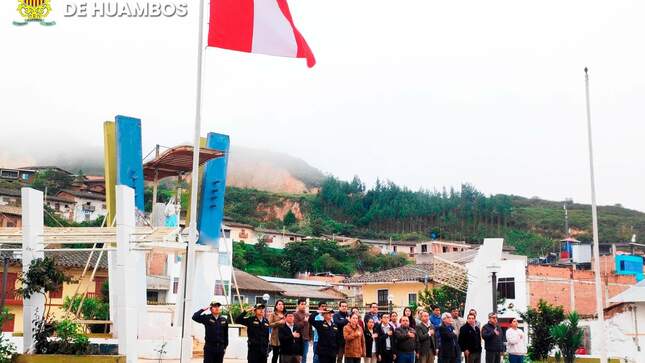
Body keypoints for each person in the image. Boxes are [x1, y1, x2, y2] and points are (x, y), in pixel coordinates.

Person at [294, 298, 311, 363]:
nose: (303, 306)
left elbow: (310, 327)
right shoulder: (295, 314)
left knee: (304, 355)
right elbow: (296, 326)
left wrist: (310, 337)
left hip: (306, 338)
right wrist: (304, 321)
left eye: (305, 304)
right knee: (298, 356)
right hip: (298, 339)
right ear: (298, 305)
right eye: (302, 304)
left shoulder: (307, 314)